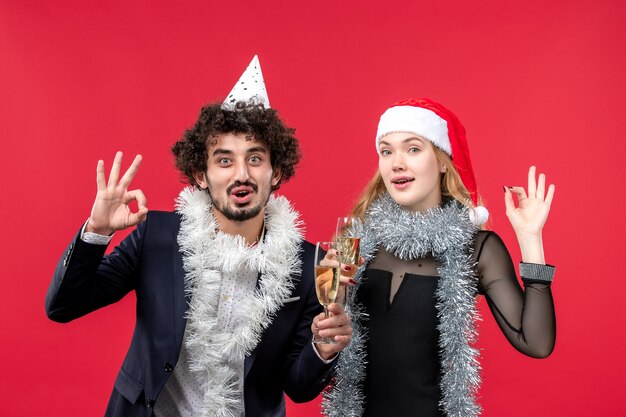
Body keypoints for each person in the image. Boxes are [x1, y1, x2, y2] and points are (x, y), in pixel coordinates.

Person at [45, 55, 352, 417]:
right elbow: (63, 306)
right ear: (201, 174)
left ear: (277, 172)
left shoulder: (309, 263)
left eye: (255, 159)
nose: (241, 174)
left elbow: (299, 388)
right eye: (224, 160)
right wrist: (96, 232)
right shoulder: (156, 237)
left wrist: (323, 347)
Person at [323, 97, 556, 417]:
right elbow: (320, 341)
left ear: (443, 160)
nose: (396, 163)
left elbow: (537, 343)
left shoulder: (476, 247)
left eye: (413, 148)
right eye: (386, 151)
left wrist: (530, 239)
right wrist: (328, 294)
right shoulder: (355, 239)